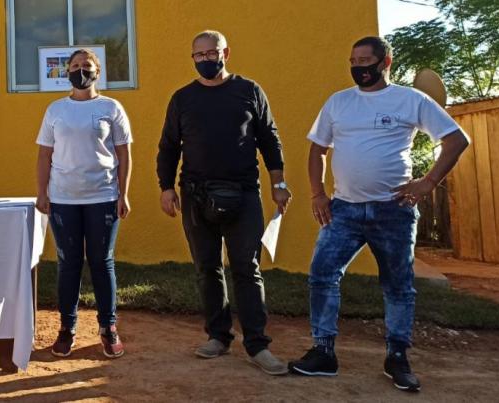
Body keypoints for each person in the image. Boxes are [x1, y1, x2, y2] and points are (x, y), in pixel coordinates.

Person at [288, 36, 469, 392]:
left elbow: (456, 139)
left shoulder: (410, 99)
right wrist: (318, 194)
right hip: (343, 210)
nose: (358, 67)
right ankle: (323, 352)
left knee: (398, 285)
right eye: (353, 61)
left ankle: (397, 357)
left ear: (385, 62)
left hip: (394, 212)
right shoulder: (338, 103)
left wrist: (428, 182)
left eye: (365, 61)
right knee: (322, 275)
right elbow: (317, 151)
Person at [157, 30, 290, 376]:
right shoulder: (182, 98)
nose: (205, 60)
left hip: (244, 194)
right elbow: (169, 146)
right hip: (195, 195)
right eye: (198, 55)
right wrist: (166, 187)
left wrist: (279, 184)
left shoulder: (249, 91)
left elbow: (269, 139)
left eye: (210, 53)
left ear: (225, 52)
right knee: (207, 268)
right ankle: (218, 335)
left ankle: (257, 344)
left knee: (247, 268)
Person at [36, 48, 133, 359]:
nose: (81, 70)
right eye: (75, 65)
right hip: (63, 198)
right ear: (68, 72)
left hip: (102, 196)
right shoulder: (55, 110)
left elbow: (123, 154)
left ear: (97, 71)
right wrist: (42, 192)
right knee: (69, 263)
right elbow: (44, 155)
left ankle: (108, 327)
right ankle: (67, 328)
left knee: (102, 262)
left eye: (86, 65)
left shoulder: (111, 107)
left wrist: (123, 193)